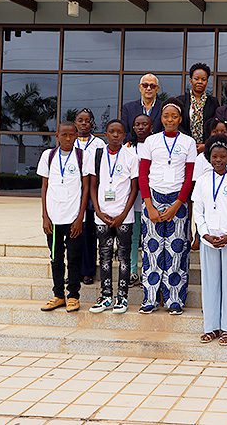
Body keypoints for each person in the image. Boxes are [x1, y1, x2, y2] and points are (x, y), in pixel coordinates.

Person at [137, 99, 197, 315]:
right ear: (160, 119)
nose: (170, 120)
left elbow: (189, 178)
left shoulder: (188, 142)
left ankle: (175, 300)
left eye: (174, 116)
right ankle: (150, 298)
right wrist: (149, 205)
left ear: (180, 119)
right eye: (166, 116)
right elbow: (143, 175)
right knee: (152, 250)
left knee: (176, 251)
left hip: (177, 202)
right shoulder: (151, 142)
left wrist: (177, 205)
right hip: (152, 199)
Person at [193, 135, 227, 346]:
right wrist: (204, 234)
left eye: (222, 157)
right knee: (210, 282)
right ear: (208, 158)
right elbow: (198, 210)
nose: (218, 160)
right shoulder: (202, 181)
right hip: (208, 240)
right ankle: (211, 327)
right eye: (214, 156)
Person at [38, 121, 92, 313]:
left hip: (74, 219)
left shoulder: (82, 156)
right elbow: (44, 187)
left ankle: (73, 296)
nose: (68, 138)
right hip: (53, 219)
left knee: (74, 258)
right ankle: (58, 295)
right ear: (57, 135)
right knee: (56, 258)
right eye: (64, 135)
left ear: (76, 135)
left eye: (71, 135)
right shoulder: (48, 156)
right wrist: (45, 216)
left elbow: (86, 188)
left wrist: (80, 218)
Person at [88, 119, 139, 315]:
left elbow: (134, 188)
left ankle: (122, 297)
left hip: (123, 216)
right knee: (105, 256)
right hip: (102, 215)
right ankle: (106, 296)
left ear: (125, 134)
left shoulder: (130, 156)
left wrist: (124, 213)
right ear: (106, 134)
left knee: (124, 257)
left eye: (119, 132)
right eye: (111, 131)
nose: (115, 135)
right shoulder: (97, 155)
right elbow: (92, 185)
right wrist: (98, 211)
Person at [74, 108, 107, 286]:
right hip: (73, 193)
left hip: (92, 192)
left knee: (88, 234)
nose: (84, 123)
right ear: (75, 122)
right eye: (80, 120)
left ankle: (88, 271)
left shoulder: (99, 144)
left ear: (92, 123)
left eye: (87, 120)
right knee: (73, 235)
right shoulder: (70, 141)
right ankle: (74, 270)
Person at [126, 114, 152, 288]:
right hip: (133, 200)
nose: (141, 127)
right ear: (133, 127)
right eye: (137, 124)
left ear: (151, 127)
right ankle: (133, 272)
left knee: (149, 238)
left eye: (144, 124)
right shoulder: (127, 148)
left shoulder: (155, 145)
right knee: (134, 238)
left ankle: (148, 273)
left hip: (151, 199)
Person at [178, 63, 220, 152]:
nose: (200, 82)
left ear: (207, 81)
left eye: (203, 79)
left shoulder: (213, 102)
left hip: (206, 148)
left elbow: (215, 126)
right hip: (184, 146)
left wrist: (206, 144)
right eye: (196, 79)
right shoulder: (181, 101)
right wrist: (189, 143)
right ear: (190, 80)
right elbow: (179, 124)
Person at [121, 73, 163, 142]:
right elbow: (125, 133)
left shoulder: (163, 107)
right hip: (134, 147)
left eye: (152, 86)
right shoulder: (128, 108)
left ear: (157, 89)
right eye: (145, 85)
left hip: (157, 148)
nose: (148, 88)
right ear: (140, 87)